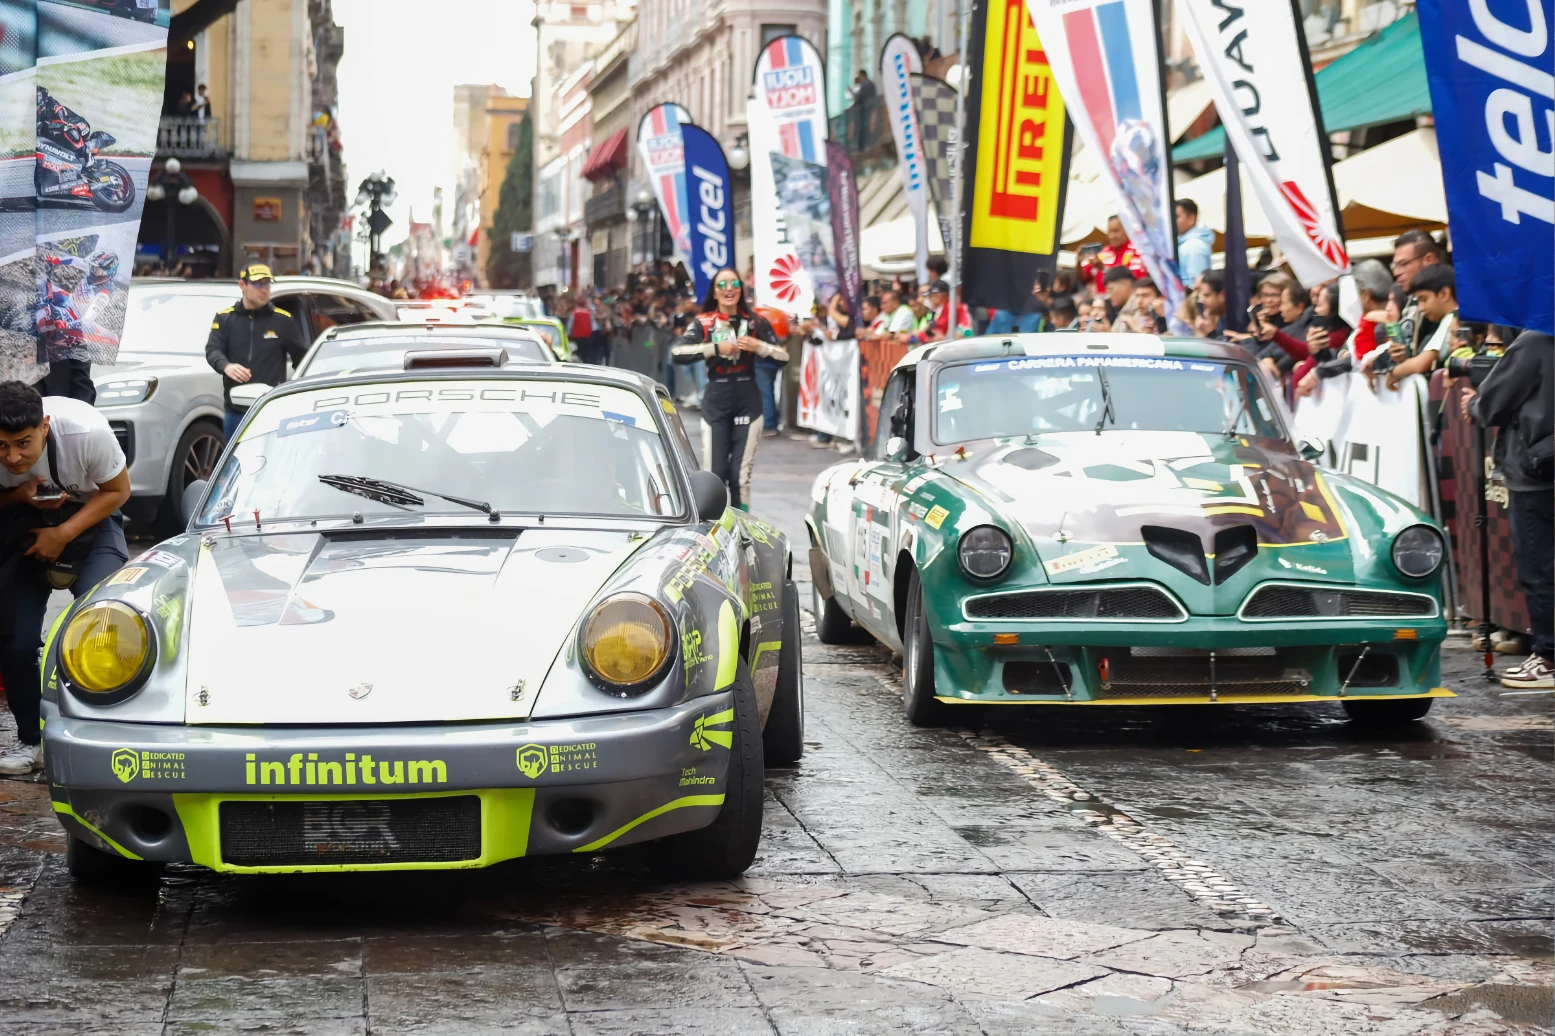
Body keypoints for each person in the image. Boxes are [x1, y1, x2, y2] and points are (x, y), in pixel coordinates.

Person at [0, 381, 131, 774]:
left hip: (92, 516)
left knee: (104, 621)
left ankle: (105, 735)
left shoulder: (86, 432)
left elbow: (118, 490)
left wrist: (63, 533)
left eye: (23, 443)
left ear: (44, 425)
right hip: (20, 524)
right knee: (15, 640)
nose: (13, 457)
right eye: (1, 446)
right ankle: (31, 739)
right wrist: (18, 496)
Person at [1464, 331, 1554, 688]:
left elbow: (1491, 404)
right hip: (1542, 464)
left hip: (1539, 470)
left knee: (1540, 566)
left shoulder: (1535, 342)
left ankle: (1549, 657)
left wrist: (1473, 403)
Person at [671, 270, 786, 509]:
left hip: (748, 399)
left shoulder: (755, 322)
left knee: (740, 477)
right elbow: (677, 353)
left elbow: (783, 356)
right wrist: (715, 348)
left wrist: (759, 346)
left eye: (734, 283)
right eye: (722, 284)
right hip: (717, 398)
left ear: (741, 289)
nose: (728, 289)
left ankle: (742, 526)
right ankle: (715, 526)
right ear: (714, 292)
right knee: (715, 475)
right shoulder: (704, 322)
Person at [204, 264, 307, 440]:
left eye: (267, 284)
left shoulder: (283, 320)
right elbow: (213, 349)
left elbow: (302, 359)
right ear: (242, 285)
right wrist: (226, 366)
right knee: (236, 457)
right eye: (258, 284)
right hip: (236, 411)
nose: (264, 290)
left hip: (270, 410)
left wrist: (295, 392)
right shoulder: (225, 318)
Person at [1385, 265, 1457, 389]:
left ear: (1444, 294)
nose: (1421, 308)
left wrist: (1393, 373)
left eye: (1423, 299)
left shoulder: (1452, 319)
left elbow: (1421, 364)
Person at [1080, 216, 1147, 293]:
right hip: (1101, 297)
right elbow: (1084, 276)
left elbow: (1134, 279)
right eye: (1110, 232)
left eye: (1116, 231)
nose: (1112, 236)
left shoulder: (1136, 251)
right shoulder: (1104, 251)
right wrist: (1078, 261)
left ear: (1126, 230)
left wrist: (1104, 269)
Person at [1175, 200, 1214, 285]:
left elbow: (1196, 283)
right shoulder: (1185, 243)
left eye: (1176, 217)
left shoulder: (1193, 246)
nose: (1172, 221)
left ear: (1191, 218)